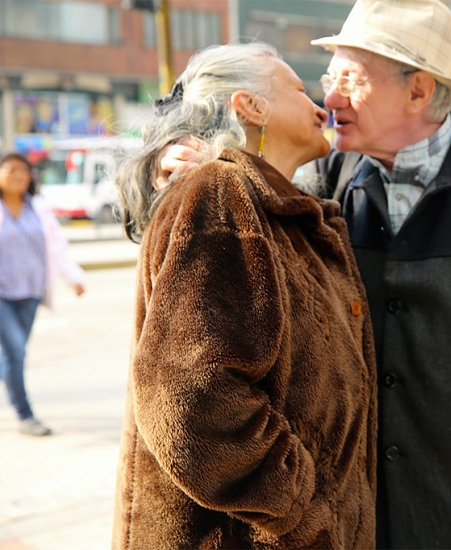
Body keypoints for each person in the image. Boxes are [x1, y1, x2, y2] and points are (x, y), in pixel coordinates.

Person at [160, 1, 451, 548]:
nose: (331, 97)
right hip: (354, 520)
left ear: (418, 90)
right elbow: (197, 232)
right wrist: (164, 169)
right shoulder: (318, 182)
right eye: (328, 77)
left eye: (351, 79)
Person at [111, 42, 378, 549]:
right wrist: (303, 511)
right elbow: (190, 400)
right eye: (299, 89)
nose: (319, 105)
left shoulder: (282, 207)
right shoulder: (221, 195)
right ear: (250, 106)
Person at [0, 152, 85, 437]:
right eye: (10, 170)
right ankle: (26, 415)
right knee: (16, 352)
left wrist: (74, 277)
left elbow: (57, 247)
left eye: (23, 171)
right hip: (1, 294)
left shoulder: (38, 207)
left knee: (12, 354)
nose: (17, 176)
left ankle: (13, 389)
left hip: (31, 293)